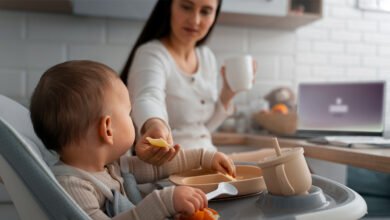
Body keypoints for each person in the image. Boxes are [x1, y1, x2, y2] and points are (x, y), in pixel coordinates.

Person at [29, 60, 236, 220]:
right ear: (107, 129)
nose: (132, 120)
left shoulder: (112, 166)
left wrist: (204, 158)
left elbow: (159, 167)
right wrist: (162, 204)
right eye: (128, 113)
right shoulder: (73, 186)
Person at [121, 0, 272, 165]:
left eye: (205, 11)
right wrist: (154, 125)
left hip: (208, 158)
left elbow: (202, 128)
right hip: (171, 166)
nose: (195, 20)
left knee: (277, 156)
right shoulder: (151, 54)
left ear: (215, 15)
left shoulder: (206, 57)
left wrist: (227, 94)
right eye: (186, 7)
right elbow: (148, 97)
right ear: (169, 6)